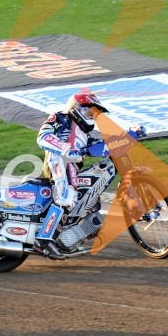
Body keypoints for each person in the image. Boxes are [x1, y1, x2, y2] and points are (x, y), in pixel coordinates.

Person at [34, 93, 108, 258]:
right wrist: (65, 148)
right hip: (58, 160)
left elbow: (99, 146)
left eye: (94, 114)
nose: (92, 116)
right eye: (90, 112)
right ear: (77, 108)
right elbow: (43, 136)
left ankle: (71, 235)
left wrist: (128, 137)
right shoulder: (60, 117)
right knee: (67, 197)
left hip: (72, 167)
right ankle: (44, 240)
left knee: (91, 197)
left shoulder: (84, 132)